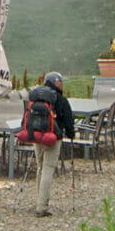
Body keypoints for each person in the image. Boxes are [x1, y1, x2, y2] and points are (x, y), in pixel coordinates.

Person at [21, 70, 76, 214]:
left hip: (36, 136)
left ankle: (39, 200)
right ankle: (42, 206)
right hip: (52, 138)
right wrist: (71, 134)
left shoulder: (37, 98)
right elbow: (68, 120)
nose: (62, 84)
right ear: (56, 82)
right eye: (61, 81)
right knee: (48, 169)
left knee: (40, 167)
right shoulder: (60, 99)